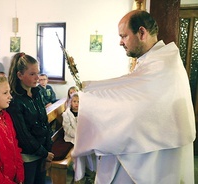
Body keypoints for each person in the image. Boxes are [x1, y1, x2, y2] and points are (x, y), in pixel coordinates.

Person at [72, 10, 195, 184]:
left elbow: (136, 101)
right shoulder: (155, 59)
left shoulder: (165, 64)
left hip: (155, 157)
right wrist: (91, 88)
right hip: (151, 148)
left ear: (142, 33)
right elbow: (129, 84)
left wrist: (89, 100)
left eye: (124, 36)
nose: (120, 42)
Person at [7, 52, 54, 184]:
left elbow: (45, 122)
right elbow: (23, 135)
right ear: (20, 75)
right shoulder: (15, 100)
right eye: (32, 74)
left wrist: (48, 149)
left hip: (42, 150)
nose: (37, 78)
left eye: (38, 73)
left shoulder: (37, 92)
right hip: (28, 156)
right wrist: (44, 153)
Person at [62, 93, 96, 183]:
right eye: (74, 101)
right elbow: (68, 130)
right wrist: (80, 136)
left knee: (91, 150)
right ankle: (79, 177)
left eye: (78, 102)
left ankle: (90, 172)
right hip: (71, 138)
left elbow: (87, 126)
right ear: (70, 102)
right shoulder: (66, 114)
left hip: (83, 138)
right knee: (79, 153)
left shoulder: (83, 114)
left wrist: (84, 136)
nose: (76, 103)